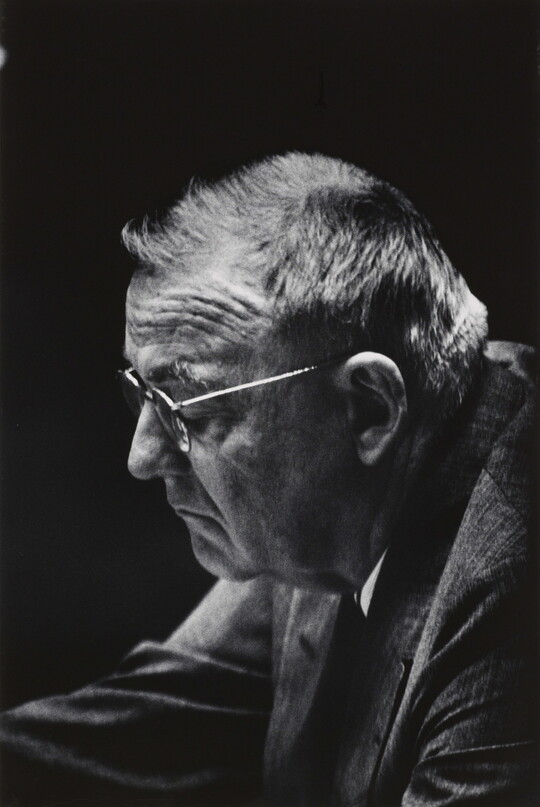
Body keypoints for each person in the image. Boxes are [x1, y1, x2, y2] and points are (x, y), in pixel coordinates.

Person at [0, 153, 536, 806]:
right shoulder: (318, 519)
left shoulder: (512, 584)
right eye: (140, 390)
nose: (142, 456)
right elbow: (122, 733)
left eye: (186, 406)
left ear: (369, 408)